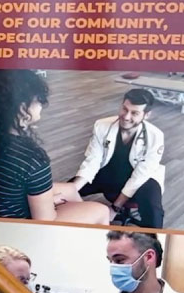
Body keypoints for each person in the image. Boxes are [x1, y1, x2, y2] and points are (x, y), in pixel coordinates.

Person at [0, 69, 109, 224]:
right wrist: (48, 204)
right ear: (22, 109)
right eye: (38, 100)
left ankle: (72, 235)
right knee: (102, 211)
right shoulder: (31, 157)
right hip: (13, 228)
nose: (42, 105)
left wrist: (47, 201)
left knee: (70, 189)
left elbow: (4, 188)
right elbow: (45, 221)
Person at [70, 89, 166, 228]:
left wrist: (115, 207)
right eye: (124, 109)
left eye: (134, 113)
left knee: (154, 210)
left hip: (142, 179)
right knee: (66, 192)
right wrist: (72, 189)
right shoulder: (101, 126)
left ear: (146, 115)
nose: (126, 117)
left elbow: (140, 175)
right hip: (108, 172)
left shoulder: (155, 136)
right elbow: (93, 161)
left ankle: (154, 241)